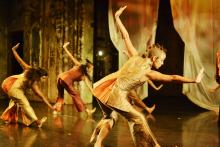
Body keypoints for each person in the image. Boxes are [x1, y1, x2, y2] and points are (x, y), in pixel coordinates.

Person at [90, 6, 204, 147]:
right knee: (138, 119)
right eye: (162, 60)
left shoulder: (135, 55)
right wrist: (194, 80)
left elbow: (125, 36)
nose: (162, 63)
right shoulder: (148, 72)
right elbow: (173, 78)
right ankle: (153, 146)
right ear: (155, 59)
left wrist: (117, 18)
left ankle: (98, 143)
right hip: (115, 94)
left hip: (103, 88)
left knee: (110, 116)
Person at [1, 43, 53, 127]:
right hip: (13, 87)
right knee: (25, 103)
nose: (44, 80)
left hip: (14, 89)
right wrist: (13, 50)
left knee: (16, 104)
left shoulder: (34, 83)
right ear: (40, 75)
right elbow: (20, 61)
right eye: (44, 78)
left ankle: (8, 118)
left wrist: (51, 106)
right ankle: (37, 121)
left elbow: (41, 96)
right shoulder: (30, 70)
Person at [53, 42, 95, 115]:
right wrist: (92, 91)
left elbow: (71, 57)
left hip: (60, 77)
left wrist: (65, 47)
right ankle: (88, 111)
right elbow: (88, 86)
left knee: (60, 95)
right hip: (66, 80)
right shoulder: (83, 75)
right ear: (88, 68)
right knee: (76, 95)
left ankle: (56, 110)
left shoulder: (79, 66)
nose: (91, 70)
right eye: (91, 68)